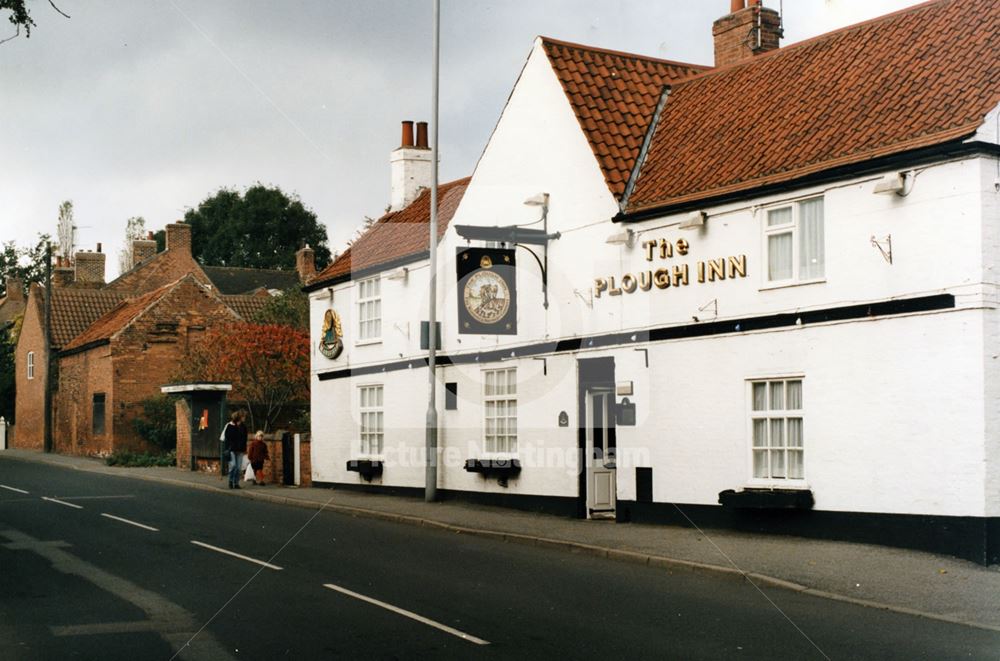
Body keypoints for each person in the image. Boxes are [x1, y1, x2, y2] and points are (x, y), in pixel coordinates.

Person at [223, 411, 248, 489]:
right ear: (239, 417)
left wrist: (244, 448)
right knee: (233, 465)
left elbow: (245, 439)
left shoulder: (244, 427)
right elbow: (227, 438)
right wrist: (228, 448)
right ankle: (230, 481)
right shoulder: (230, 426)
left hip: (240, 450)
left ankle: (236, 483)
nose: (245, 418)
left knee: (238, 468)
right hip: (232, 449)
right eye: (243, 417)